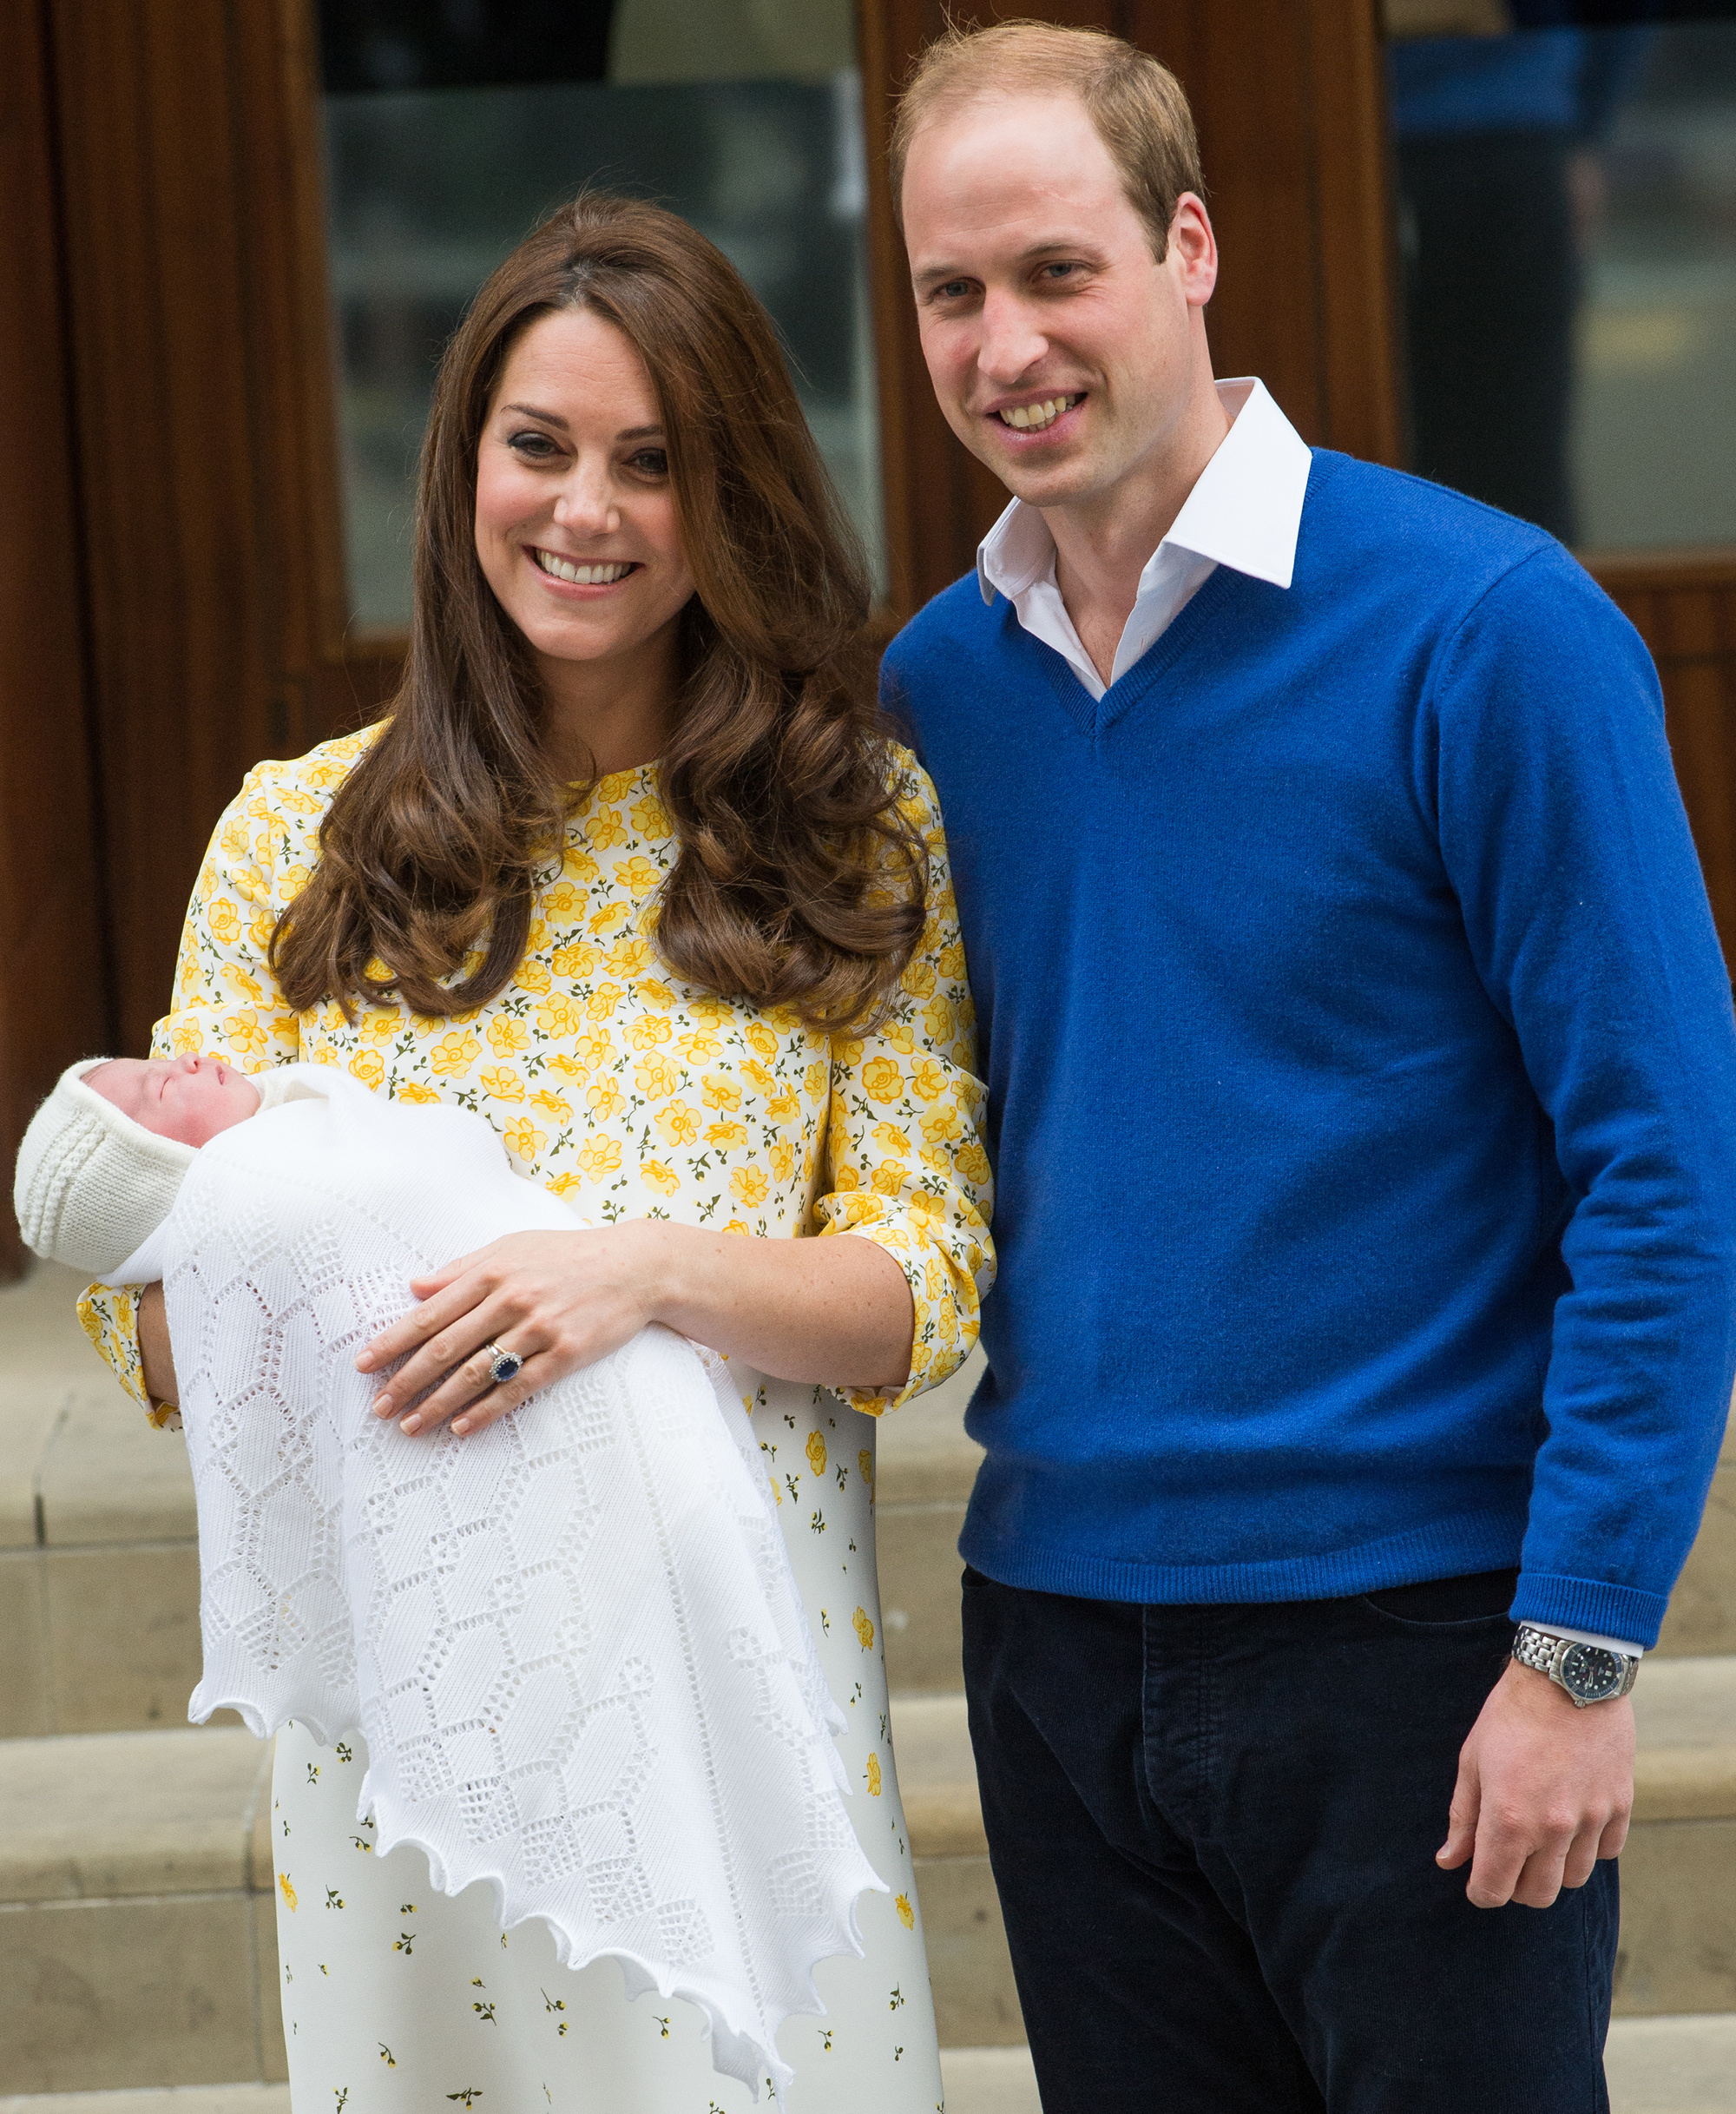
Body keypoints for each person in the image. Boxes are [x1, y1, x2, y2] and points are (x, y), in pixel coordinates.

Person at [880, 21, 1736, 2114]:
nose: (1004, 344)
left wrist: (1576, 1650)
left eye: (1054, 271)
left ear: (1186, 247)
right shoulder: (932, 691)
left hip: (1416, 1644)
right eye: (947, 292)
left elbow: (1665, 1157)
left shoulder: (1484, 628)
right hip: (1055, 1634)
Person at [76, 193, 992, 2112]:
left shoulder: (852, 824)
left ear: (727, 489)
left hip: (736, 1700)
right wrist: (246, 1255)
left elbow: (919, 1284)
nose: (586, 508)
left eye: (652, 462)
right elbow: (149, 1331)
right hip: (418, 1740)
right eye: (541, 446)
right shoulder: (293, 830)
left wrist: (636, 1270)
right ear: (461, 466)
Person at [16, 1050, 885, 2098]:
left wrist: (648, 1269)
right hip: (426, 1691)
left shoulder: (863, 888)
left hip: (738, 1554)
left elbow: (927, 1275)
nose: (177, 1060)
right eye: (151, 1093)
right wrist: (291, 1251)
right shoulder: (272, 1025)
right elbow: (141, 1302)